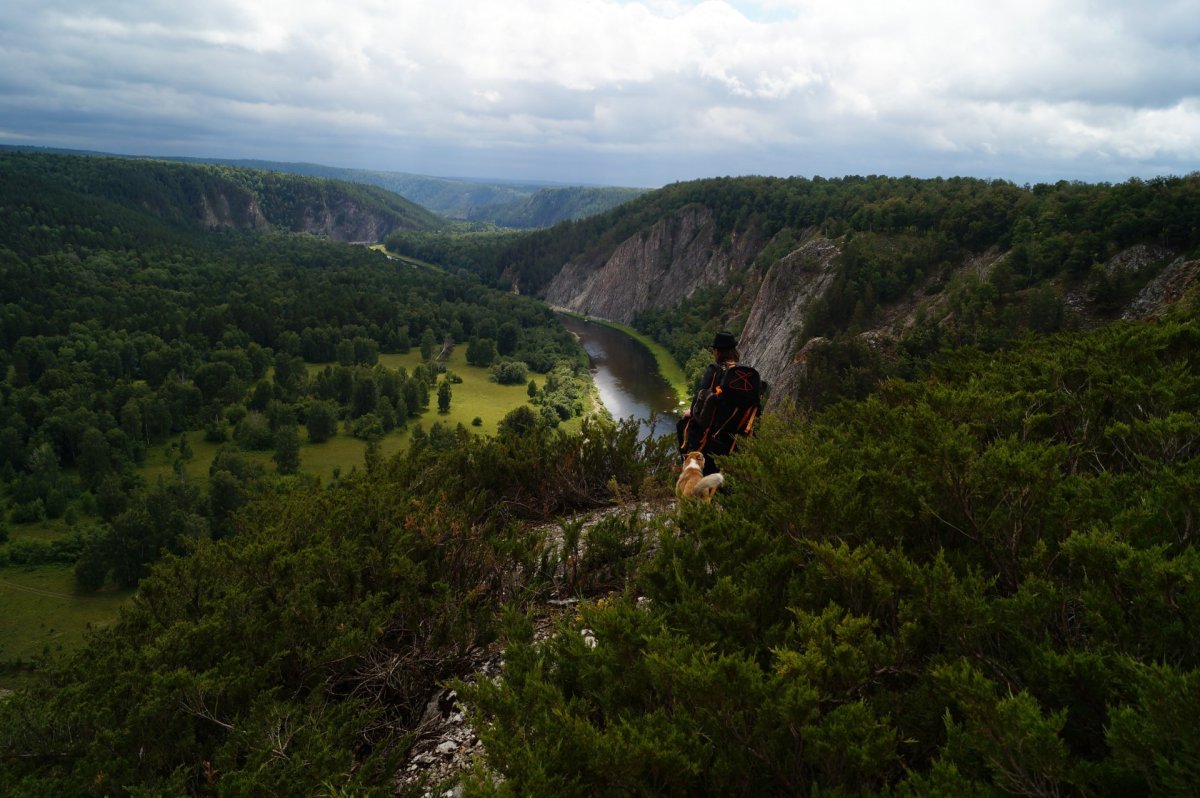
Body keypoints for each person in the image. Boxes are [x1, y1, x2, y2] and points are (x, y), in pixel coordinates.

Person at [677, 331, 762, 476]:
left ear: (718, 351)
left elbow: (699, 401)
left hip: (710, 436)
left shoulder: (714, 371)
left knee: (683, 424)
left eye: (714, 350)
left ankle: (688, 468)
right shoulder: (745, 377)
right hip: (734, 439)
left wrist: (691, 412)